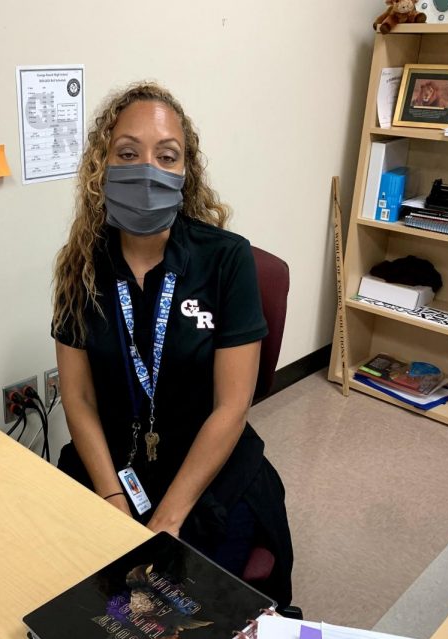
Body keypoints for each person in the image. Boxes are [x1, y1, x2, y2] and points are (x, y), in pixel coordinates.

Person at [51, 82, 292, 606]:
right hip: (110, 467)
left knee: (182, 614)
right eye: (128, 153)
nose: (147, 170)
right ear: (103, 165)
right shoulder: (80, 266)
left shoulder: (227, 260)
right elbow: (78, 398)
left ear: (186, 171)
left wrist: (168, 517)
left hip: (207, 474)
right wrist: (113, 497)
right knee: (75, 599)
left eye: (167, 156)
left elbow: (232, 406)